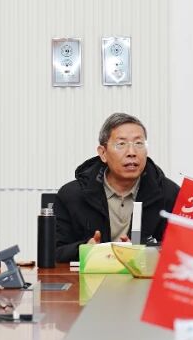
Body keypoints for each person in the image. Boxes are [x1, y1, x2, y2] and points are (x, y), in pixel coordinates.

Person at [54, 113, 180, 263]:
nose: (132, 153)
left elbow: (181, 252)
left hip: (142, 276)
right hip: (91, 276)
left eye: (139, 143)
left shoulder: (169, 194)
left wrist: (142, 252)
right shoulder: (72, 196)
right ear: (103, 153)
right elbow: (54, 252)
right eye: (121, 144)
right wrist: (84, 250)